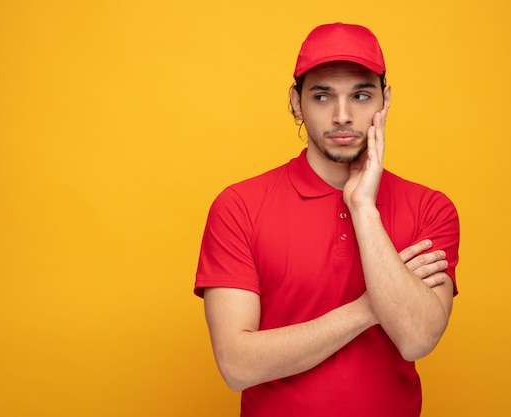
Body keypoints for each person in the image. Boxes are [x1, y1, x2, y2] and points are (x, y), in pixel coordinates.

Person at [194, 22, 460, 417]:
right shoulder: (239, 207)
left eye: (361, 95)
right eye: (322, 96)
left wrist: (364, 208)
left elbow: (417, 338)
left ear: (384, 101)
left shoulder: (430, 208)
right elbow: (237, 366)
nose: (342, 115)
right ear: (296, 102)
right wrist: (371, 307)